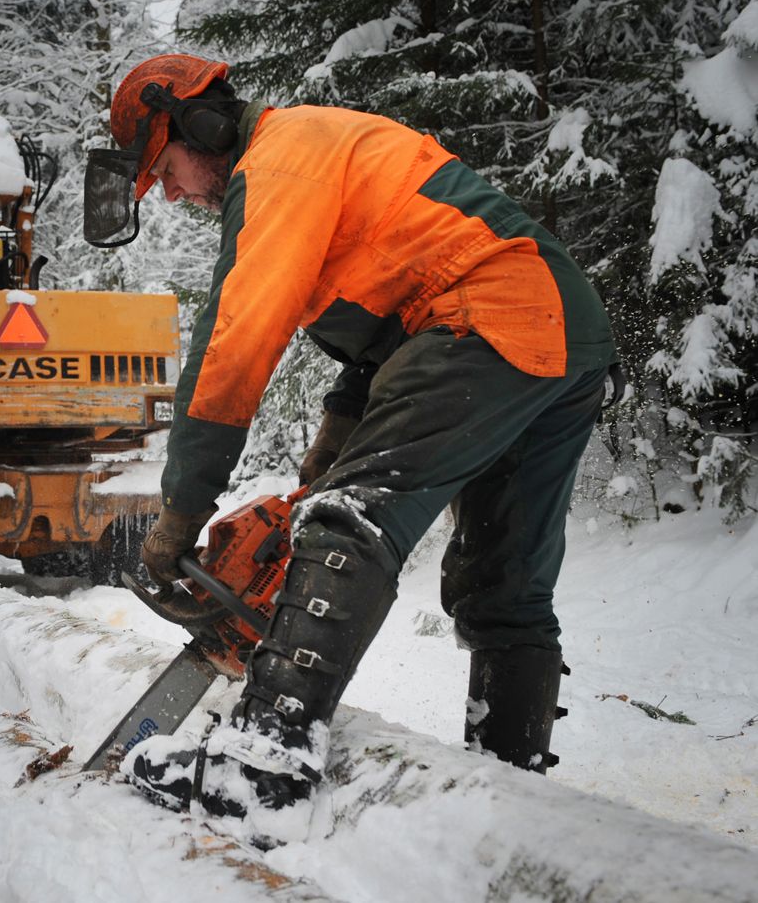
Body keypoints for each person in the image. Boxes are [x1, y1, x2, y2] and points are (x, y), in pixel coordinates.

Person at [94, 54, 617, 838]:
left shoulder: (275, 163)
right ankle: (508, 797)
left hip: (484, 310)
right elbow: (391, 309)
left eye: (163, 170)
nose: (170, 191)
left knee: (349, 521)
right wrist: (336, 435)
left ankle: (262, 764)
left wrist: (181, 507)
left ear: (195, 127)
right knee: (500, 585)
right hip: (557, 326)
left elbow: (235, 338)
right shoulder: (309, 152)